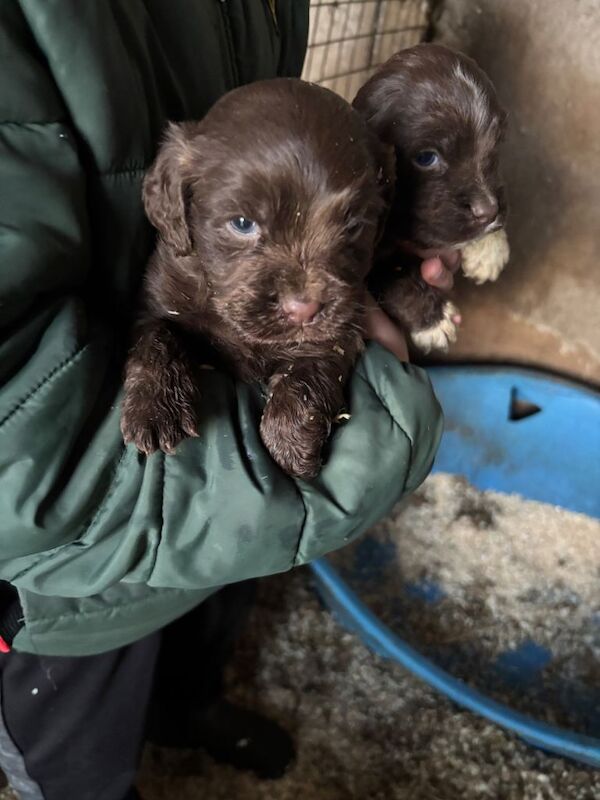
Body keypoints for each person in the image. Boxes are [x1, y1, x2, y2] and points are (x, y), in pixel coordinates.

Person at [0, 3, 456, 798]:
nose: (306, 298)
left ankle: (189, 708)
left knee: (210, 624)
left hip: (229, 525)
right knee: (80, 761)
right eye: (242, 223)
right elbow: (25, 461)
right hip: (71, 583)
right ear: (174, 210)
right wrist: (377, 411)